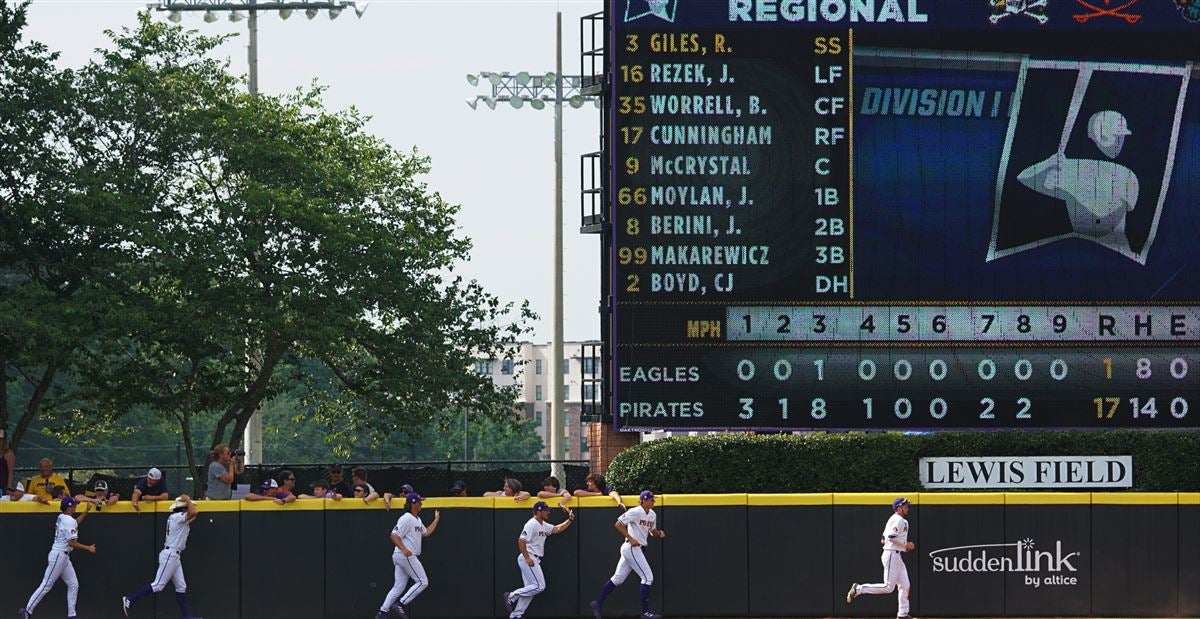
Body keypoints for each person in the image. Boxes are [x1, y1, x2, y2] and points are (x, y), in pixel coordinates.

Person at [589, 490, 666, 619]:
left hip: (637, 549)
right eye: (651, 499)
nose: (654, 501)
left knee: (617, 579)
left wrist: (658, 533)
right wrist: (630, 538)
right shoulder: (635, 511)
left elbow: (652, 532)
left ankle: (597, 603)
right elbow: (618, 524)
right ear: (644, 500)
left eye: (654, 499)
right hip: (631, 548)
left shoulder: (652, 514)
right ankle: (645, 613)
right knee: (648, 577)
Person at [18, 497, 97, 619]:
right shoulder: (68, 520)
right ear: (69, 507)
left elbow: (75, 523)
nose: (75, 506)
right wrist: (88, 548)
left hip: (63, 558)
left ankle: (72, 615)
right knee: (46, 585)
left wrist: (86, 512)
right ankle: (27, 610)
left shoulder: (62, 517)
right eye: (74, 505)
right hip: (59, 556)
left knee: (73, 584)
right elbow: (72, 543)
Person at [122, 495, 199, 618]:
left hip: (174, 556)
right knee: (158, 585)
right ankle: (130, 599)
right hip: (170, 555)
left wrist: (188, 504)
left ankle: (185, 616)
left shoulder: (177, 519)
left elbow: (193, 514)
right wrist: (187, 499)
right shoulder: (177, 517)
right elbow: (193, 512)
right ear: (183, 509)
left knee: (181, 586)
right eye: (186, 507)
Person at [502, 501, 575, 619]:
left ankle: (516, 615)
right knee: (540, 586)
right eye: (545, 510)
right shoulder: (531, 524)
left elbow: (557, 529)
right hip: (529, 557)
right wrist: (527, 558)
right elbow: (521, 541)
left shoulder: (543, 524)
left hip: (534, 558)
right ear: (538, 511)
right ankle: (511, 596)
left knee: (531, 589)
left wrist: (570, 520)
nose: (548, 512)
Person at [846, 497, 915, 619]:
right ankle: (859, 589)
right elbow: (890, 538)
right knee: (888, 587)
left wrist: (900, 545)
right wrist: (905, 544)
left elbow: (883, 539)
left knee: (905, 585)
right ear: (899, 507)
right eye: (905, 506)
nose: (907, 508)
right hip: (892, 554)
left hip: (896, 556)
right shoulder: (898, 520)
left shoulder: (893, 520)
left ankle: (903, 614)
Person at [377, 492, 441, 619]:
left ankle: (382, 613)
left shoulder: (417, 519)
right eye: (419, 502)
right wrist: (404, 549)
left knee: (398, 587)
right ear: (413, 503)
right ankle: (400, 603)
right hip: (405, 555)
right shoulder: (406, 518)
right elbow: (393, 535)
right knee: (423, 582)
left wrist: (436, 520)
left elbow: (426, 532)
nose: (421, 503)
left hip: (401, 556)